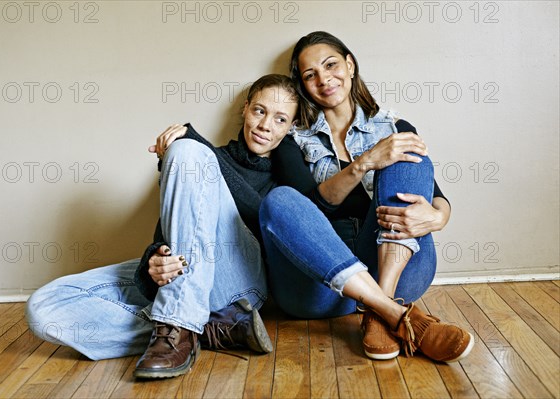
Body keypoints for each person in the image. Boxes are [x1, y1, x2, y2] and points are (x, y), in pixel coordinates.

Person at [25, 74, 299, 379]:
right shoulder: (208, 159)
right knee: (44, 309)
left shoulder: (286, 176)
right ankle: (206, 327)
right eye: (259, 111)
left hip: (238, 287)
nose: (265, 125)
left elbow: (261, 214)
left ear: (290, 128)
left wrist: (192, 141)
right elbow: (174, 229)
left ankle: (180, 324)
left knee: (187, 153)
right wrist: (155, 259)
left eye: (280, 119)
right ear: (245, 108)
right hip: (188, 282)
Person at [259, 31, 474, 362]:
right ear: (302, 85)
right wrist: (365, 163)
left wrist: (439, 217)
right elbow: (304, 211)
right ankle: (395, 315)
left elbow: (435, 194)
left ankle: (381, 306)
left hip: (398, 269)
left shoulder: (393, 126)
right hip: (321, 287)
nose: (324, 79)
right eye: (310, 74)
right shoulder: (292, 139)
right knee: (279, 201)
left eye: (331, 65)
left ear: (350, 65)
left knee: (407, 154)